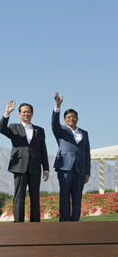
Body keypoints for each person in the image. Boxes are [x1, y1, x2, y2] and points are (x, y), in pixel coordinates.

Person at [0, 100, 49, 222]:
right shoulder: (13, 127)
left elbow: (43, 149)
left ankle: (35, 222)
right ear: (20, 114)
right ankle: (18, 222)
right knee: (19, 196)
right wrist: (6, 113)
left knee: (35, 196)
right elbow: (1, 129)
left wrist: (46, 168)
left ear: (32, 114)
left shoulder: (40, 130)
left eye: (29, 112)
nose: (26, 114)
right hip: (19, 166)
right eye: (24, 112)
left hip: (35, 166)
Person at [52, 92, 90, 222]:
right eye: (68, 117)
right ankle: (64, 222)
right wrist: (57, 106)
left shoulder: (84, 133)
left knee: (77, 197)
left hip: (80, 169)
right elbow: (54, 123)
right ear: (64, 119)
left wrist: (87, 172)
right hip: (65, 168)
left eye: (73, 117)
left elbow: (87, 154)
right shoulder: (60, 130)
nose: (71, 119)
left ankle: (75, 222)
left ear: (77, 119)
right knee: (64, 196)